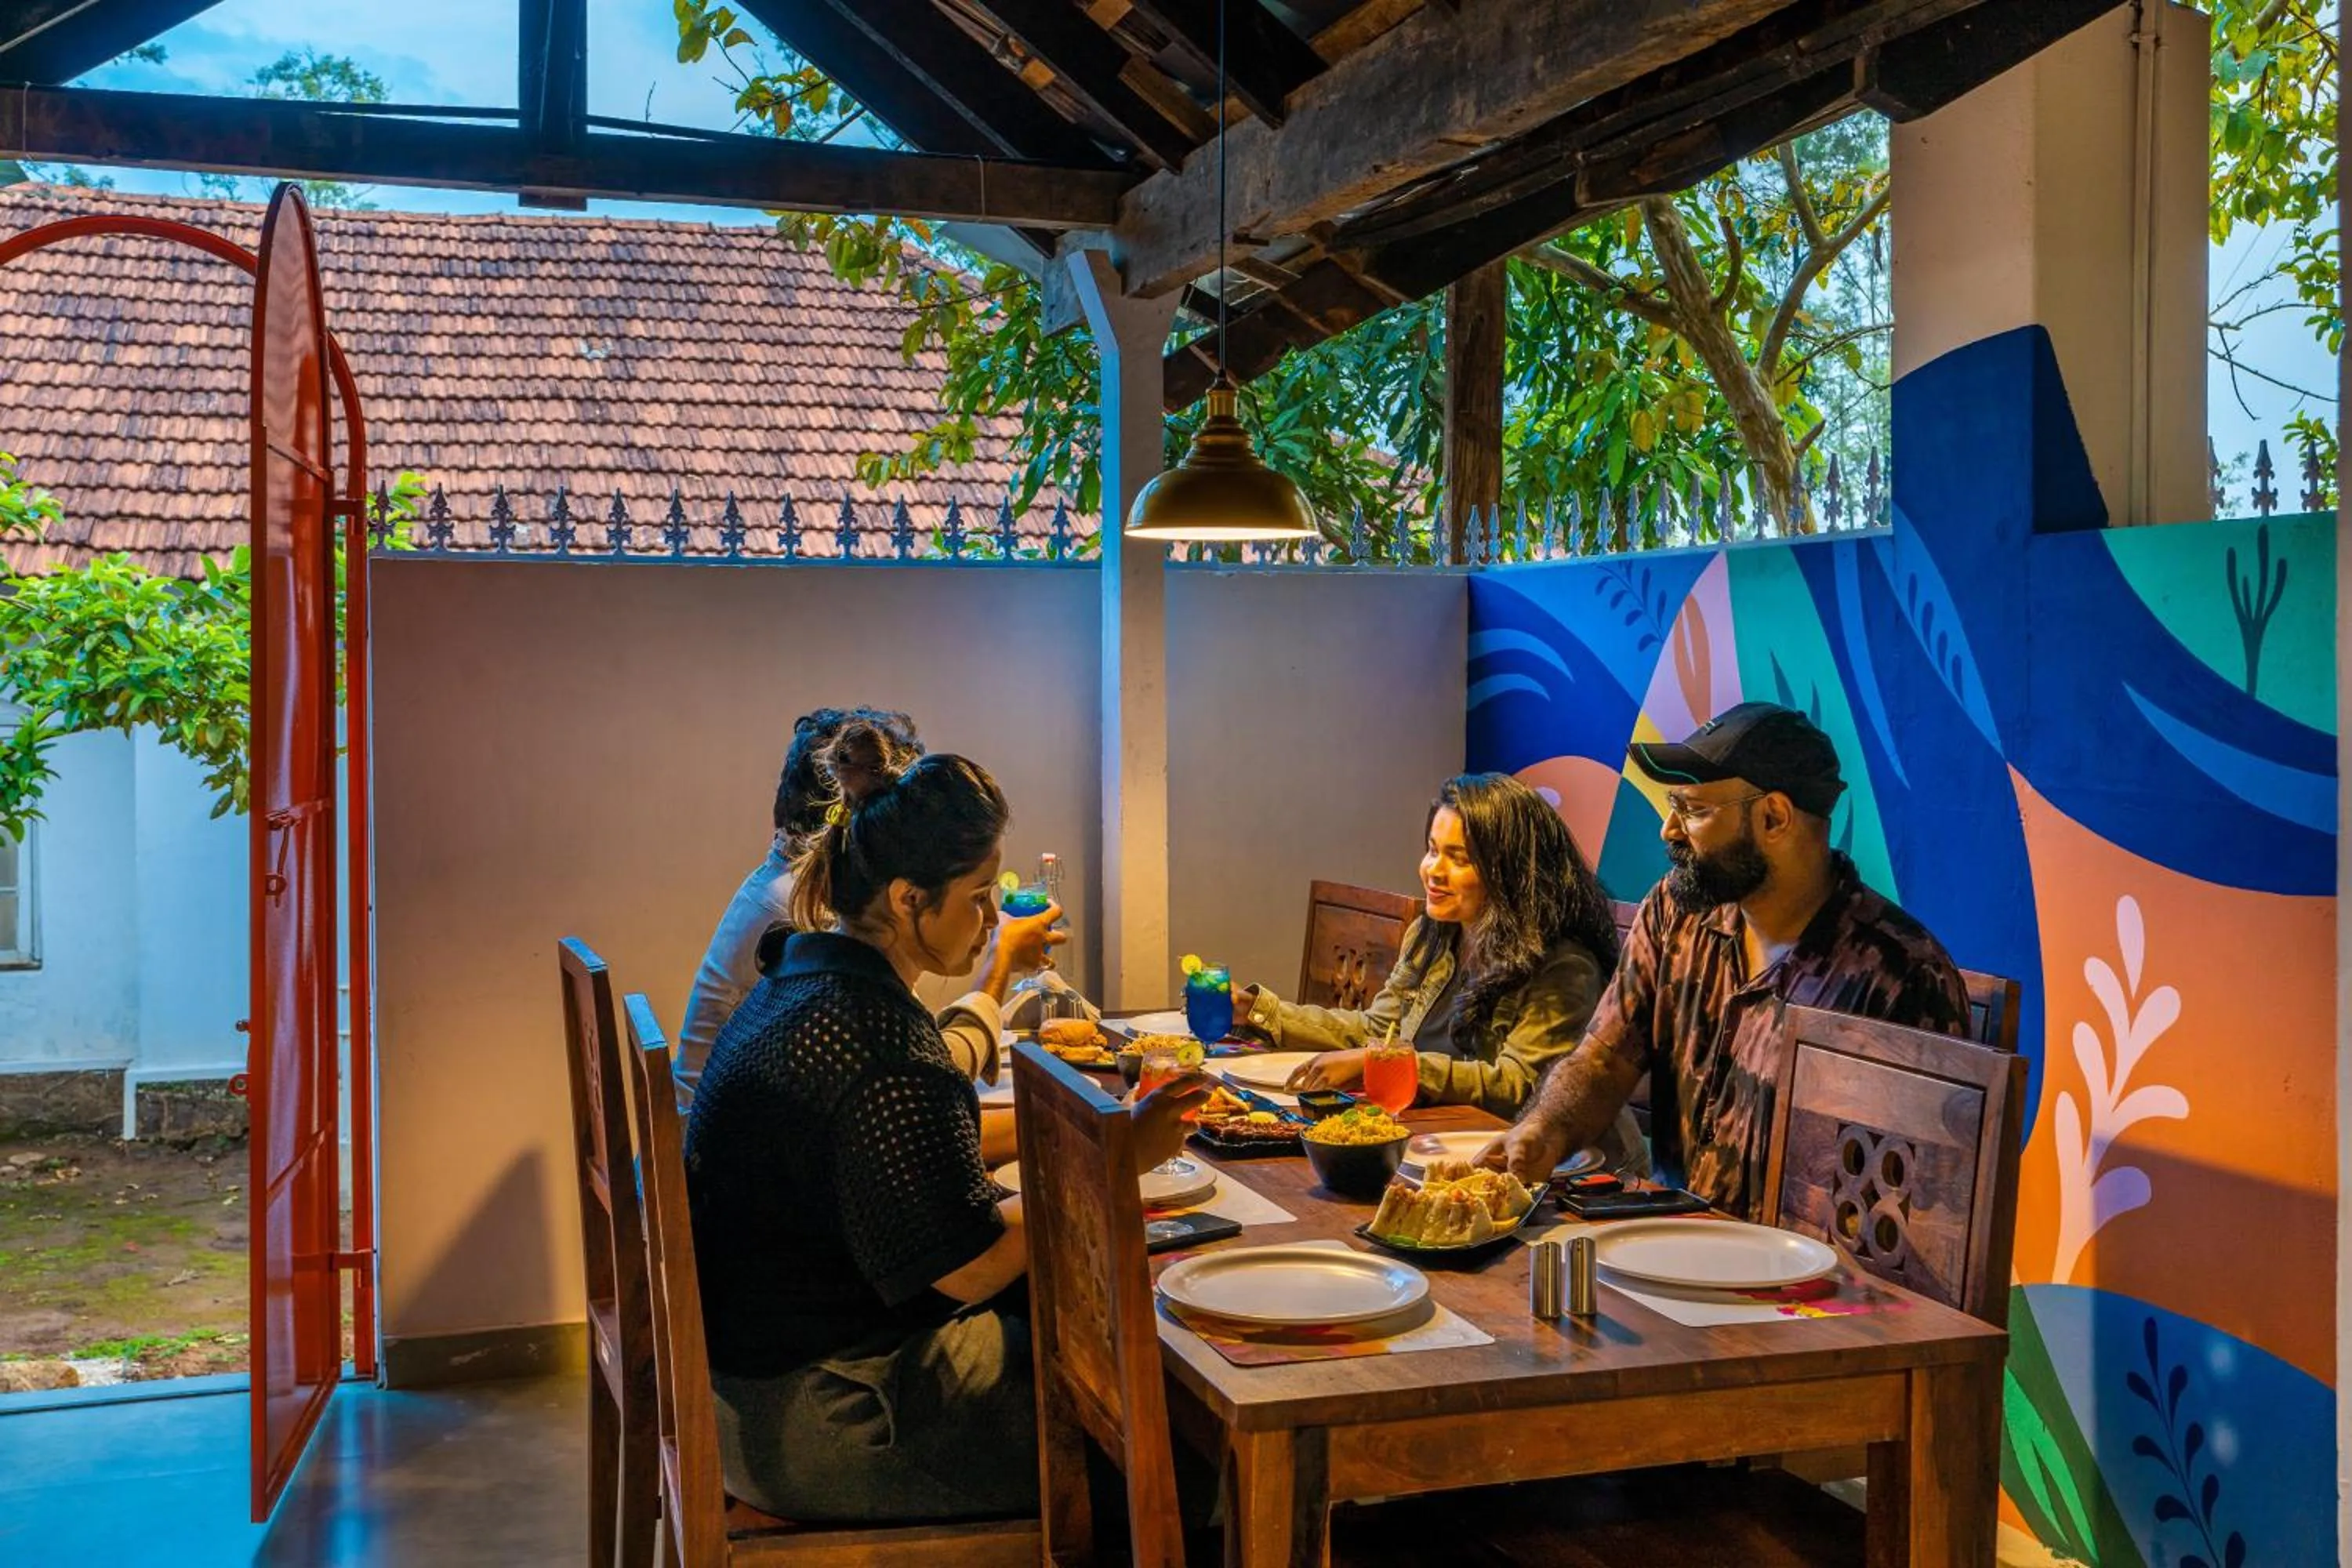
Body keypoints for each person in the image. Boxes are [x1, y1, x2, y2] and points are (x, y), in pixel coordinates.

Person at [686, 720, 1205, 1523]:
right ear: (907, 898)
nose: (992, 916)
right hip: (831, 1418)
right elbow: (968, 1266)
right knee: (1168, 1440)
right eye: (977, 895)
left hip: (746, 1393)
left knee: (1086, 1335)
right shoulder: (879, 1042)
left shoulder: (805, 974)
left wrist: (1098, 1138)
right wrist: (1115, 1157)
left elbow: (924, 1157)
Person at [1483, 702, 1970, 1221]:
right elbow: (1604, 1060)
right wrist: (1547, 1127)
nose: (1668, 830)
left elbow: (1920, 1208)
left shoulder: (1902, 976)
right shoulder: (1674, 914)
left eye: (1693, 810)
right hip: (1666, 1242)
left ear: (1773, 817)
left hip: (1805, 1288)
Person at [1226, 774, 1642, 1168]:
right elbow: (1378, 1029)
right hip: (1450, 1145)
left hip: (1570, 1175)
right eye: (1432, 849)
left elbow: (1518, 1087)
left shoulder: (1563, 965)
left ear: (1511, 872)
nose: (1432, 870)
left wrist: (1389, 1064)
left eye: (1458, 858)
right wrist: (1260, 1012)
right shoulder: (1435, 934)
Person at [673, 706, 1062, 1110]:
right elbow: (909, 1089)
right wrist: (998, 965)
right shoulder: (806, 922)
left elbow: (912, 1063)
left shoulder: (785, 898)